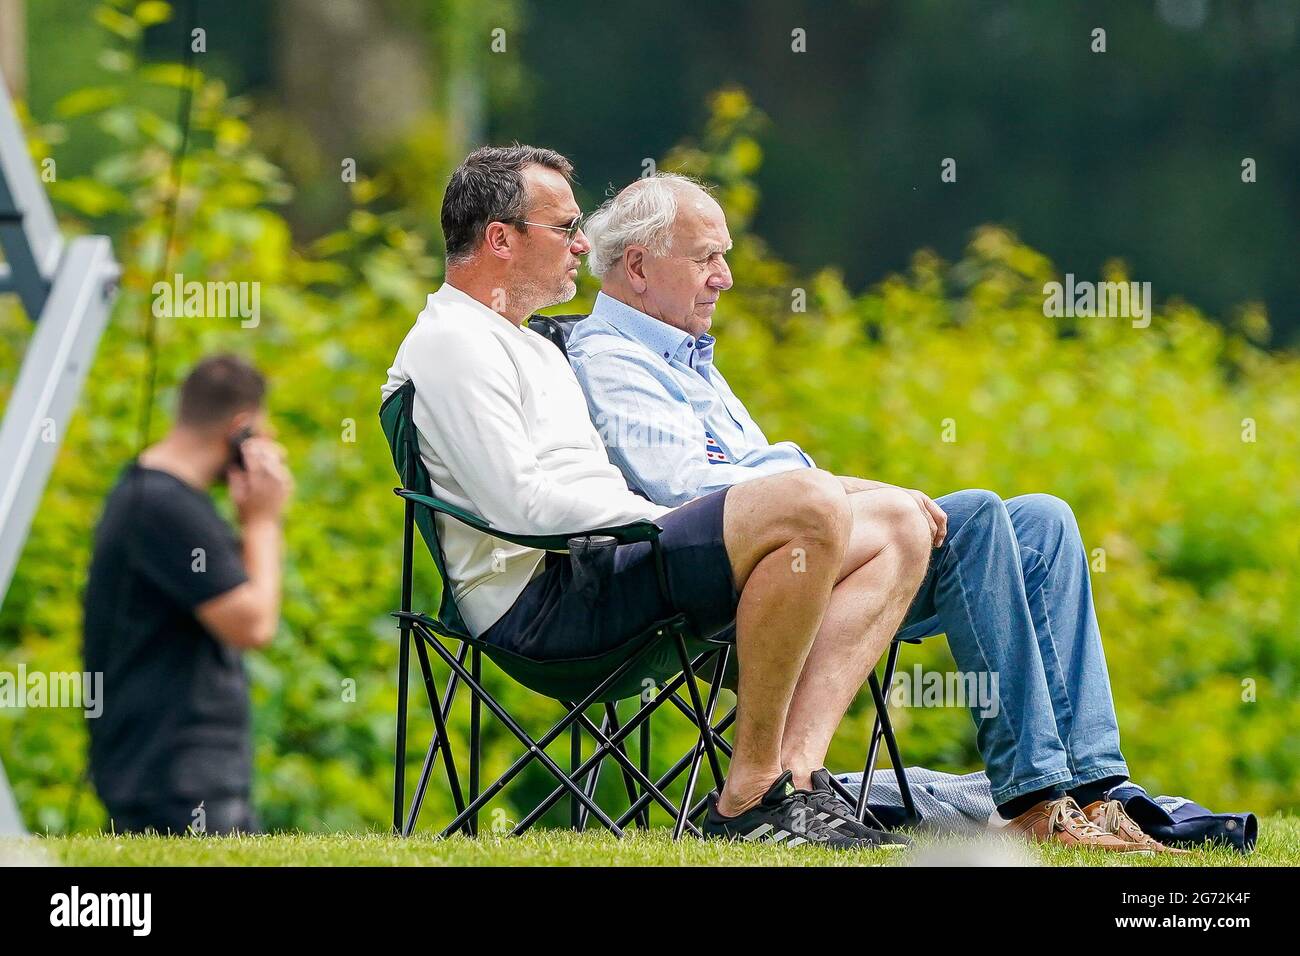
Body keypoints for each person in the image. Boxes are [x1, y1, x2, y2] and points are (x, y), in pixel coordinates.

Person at [566, 172, 1184, 854]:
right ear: (638, 266)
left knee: (1042, 521)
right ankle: (1036, 800)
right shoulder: (613, 358)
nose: (726, 277)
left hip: (812, 556)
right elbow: (689, 490)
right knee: (975, 517)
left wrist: (851, 491)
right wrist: (860, 494)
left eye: (725, 255)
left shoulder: (684, 354)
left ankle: (1099, 793)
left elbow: (769, 478)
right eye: (706, 257)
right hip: (738, 588)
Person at [381, 145, 929, 849]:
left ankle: (797, 780)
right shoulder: (454, 343)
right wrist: (665, 519)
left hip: (604, 568)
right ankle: (748, 796)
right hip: (545, 603)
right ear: (500, 238)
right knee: (810, 503)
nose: (584, 245)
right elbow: (519, 508)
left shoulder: (532, 347)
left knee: (899, 523)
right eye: (565, 228)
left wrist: (666, 522)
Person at [83, 354, 292, 835]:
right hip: (177, 780)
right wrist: (263, 521)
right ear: (240, 428)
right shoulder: (165, 506)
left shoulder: (150, 497)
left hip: (168, 772)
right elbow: (253, 623)